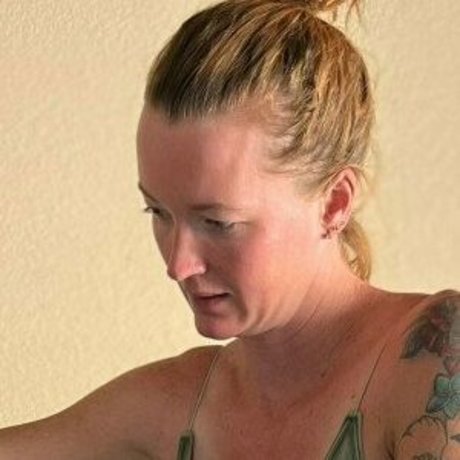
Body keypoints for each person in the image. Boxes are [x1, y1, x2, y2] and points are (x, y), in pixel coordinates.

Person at [1, 0, 458, 458]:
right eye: (158, 212)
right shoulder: (170, 406)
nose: (178, 265)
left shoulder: (434, 357)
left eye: (218, 223)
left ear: (334, 203)